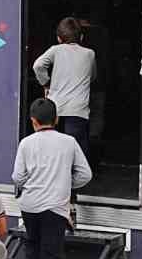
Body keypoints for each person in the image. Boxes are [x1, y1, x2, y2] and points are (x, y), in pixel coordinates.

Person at [13, 98, 92, 259]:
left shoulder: (26, 143)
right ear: (56, 120)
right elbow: (85, 174)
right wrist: (65, 185)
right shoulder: (69, 142)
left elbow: (17, 177)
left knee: (32, 245)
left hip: (29, 206)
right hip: (54, 208)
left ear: (33, 121)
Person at [32, 17, 96, 160]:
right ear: (81, 37)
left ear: (59, 38)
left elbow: (38, 66)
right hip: (77, 110)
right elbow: (92, 77)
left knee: (54, 149)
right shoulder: (90, 54)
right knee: (76, 151)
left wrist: (46, 83)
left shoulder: (55, 50)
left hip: (55, 108)